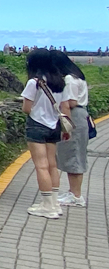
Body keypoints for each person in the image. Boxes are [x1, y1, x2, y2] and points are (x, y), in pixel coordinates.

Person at [20, 49, 70, 218]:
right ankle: (55, 203)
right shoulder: (60, 82)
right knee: (52, 165)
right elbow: (65, 107)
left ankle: (47, 206)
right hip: (54, 125)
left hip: (37, 125)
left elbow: (26, 109)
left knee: (41, 166)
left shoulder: (34, 83)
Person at [51, 51, 90, 207]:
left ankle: (76, 196)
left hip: (74, 115)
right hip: (80, 115)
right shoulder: (77, 76)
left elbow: (71, 102)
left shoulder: (69, 79)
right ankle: (73, 192)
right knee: (73, 154)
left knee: (74, 154)